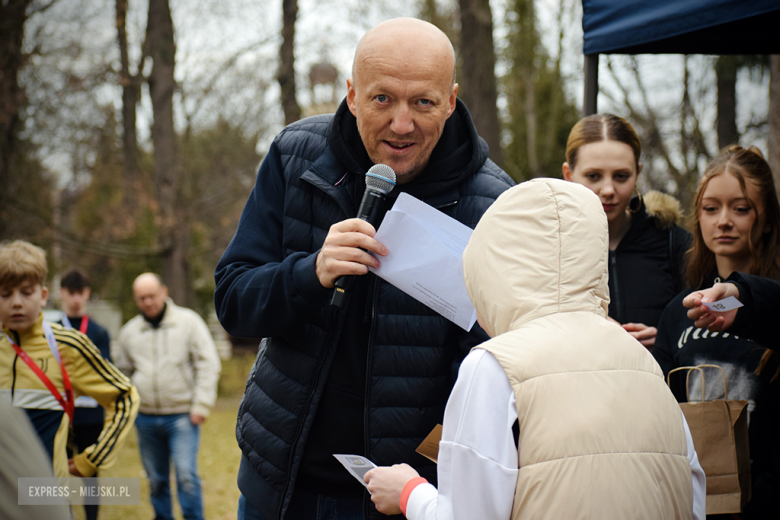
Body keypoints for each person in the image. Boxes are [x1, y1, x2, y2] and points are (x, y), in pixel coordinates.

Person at [214, 17, 514, 520]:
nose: (402, 124)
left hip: (404, 497)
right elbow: (233, 303)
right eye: (382, 99)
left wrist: (429, 483)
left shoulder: (493, 205)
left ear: (452, 100)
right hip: (280, 483)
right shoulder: (295, 156)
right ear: (351, 95)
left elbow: (497, 372)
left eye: (423, 101)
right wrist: (307, 273)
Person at [363, 179, 705, 520]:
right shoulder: (643, 363)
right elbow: (693, 498)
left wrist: (410, 493)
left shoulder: (494, 366)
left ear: (488, 268)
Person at [653, 145, 780, 518]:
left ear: (768, 219)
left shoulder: (772, 305)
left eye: (740, 209)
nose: (724, 220)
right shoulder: (680, 311)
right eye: (711, 208)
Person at [0, 240, 138, 479]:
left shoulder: (67, 345)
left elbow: (124, 396)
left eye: (26, 292)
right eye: (5, 294)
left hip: (44, 495)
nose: (17, 302)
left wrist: (94, 458)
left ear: (43, 296)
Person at [562, 114, 690, 350]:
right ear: (569, 175)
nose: (608, 189)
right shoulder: (549, 248)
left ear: (637, 173)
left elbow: (704, 331)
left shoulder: (675, 243)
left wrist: (667, 339)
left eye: (621, 176)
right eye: (593, 176)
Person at [115, 272, 222, 520]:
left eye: (152, 296)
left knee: (186, 476)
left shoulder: (189, 323)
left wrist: (201, 404)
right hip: (146, 419)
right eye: (141, 298)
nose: (148, 303)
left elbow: (208, 364)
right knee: (155, 479)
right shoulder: (129, 332)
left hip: (183, 416)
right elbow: (122, 374)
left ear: (164, 292)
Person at [59, 267, 111, 520]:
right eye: (71, 293)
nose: (76, 298)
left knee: (90, 474)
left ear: (87, 293)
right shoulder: (51, 330)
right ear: (61, 294)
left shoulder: (99, 332)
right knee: (58, 472)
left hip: (91, 415)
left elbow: (104, 370)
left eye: (80, 293)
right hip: (61, 415)